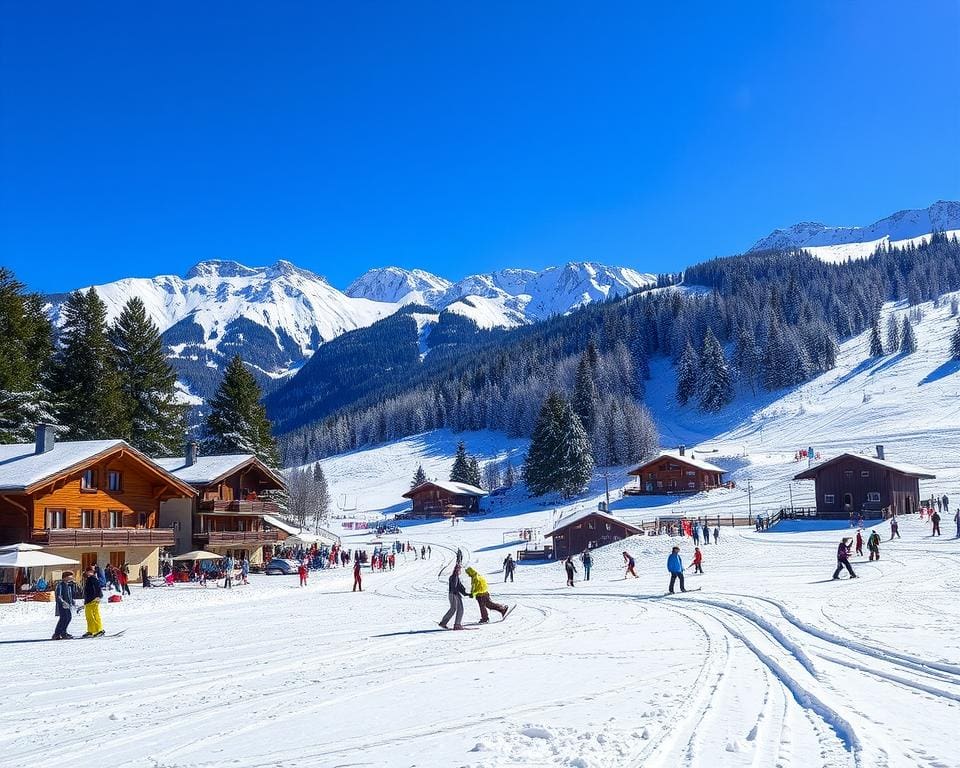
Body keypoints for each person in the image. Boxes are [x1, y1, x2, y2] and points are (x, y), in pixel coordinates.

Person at [439, 564, 468, 629]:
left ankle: (443, 623)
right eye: (459, 569)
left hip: (451, 594)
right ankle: (457, 624)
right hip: (454, 594)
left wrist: (465, 593)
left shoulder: (454, 576)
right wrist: (456, 592)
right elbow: (455, 586)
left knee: (453, 609)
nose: (460, 571)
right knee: (460, 609)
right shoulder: (455, 576)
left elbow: (459, 586)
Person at [53, 570, 77, 640]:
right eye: (70, 576)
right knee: (64, 618)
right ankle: (57, 633)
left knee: (68, 618)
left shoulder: (68, 585)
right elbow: (58, 595)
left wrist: (72, 602)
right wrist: (62, 602)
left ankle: (63, 632)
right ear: (65, 577)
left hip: (68, 605)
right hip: (62, 605)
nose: (71, 578)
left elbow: (69, 595)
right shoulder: (60, 585)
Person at [82, 566, 105, 637]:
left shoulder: (93, 579)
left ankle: (99, 630)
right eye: (89, 571)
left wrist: (98, 596)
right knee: (89, 616)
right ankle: (91, 630)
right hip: (88, 600)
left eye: (92, 571)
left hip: (93, 599)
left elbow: (98, 588)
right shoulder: (88, 579)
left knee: (94, 615)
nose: (90, 573)